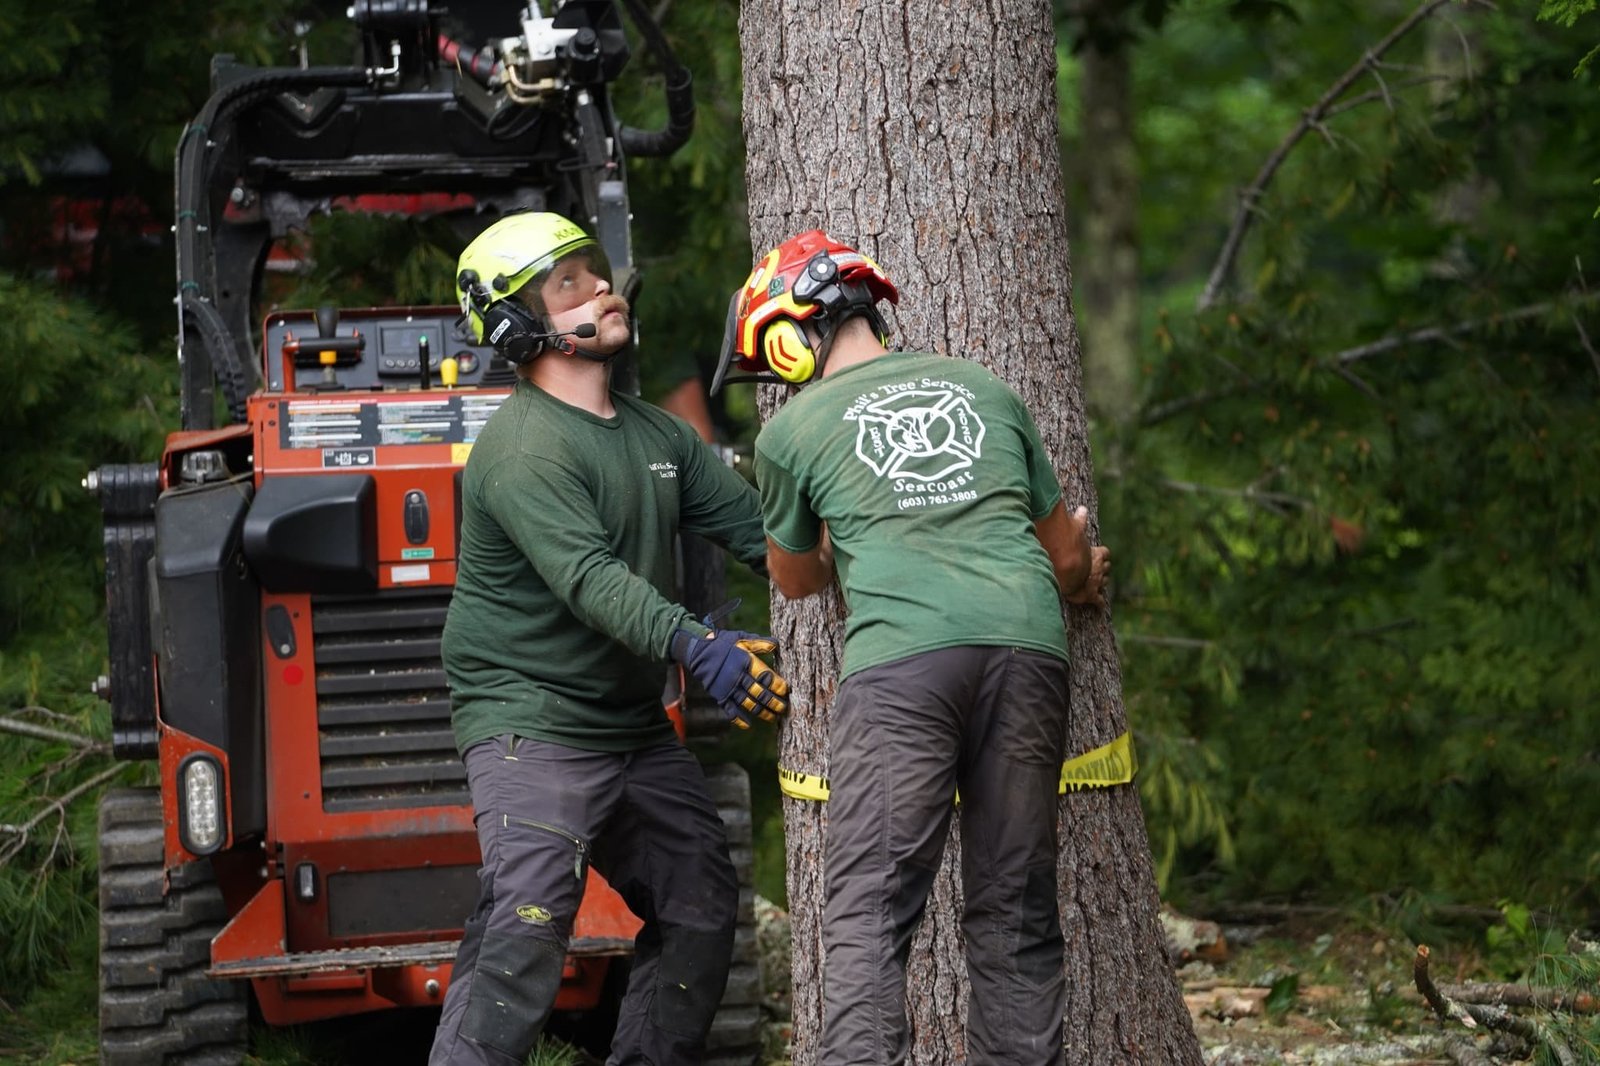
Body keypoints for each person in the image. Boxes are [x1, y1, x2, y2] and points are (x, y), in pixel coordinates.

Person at [716, 230, 1110, 1066]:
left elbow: (795, 580)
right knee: (1014, 906)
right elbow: (1067, 556)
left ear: (790, 338)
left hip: (903, 666)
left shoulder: (791, 434)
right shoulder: (985, 388)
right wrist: (1080, 578)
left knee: (868, 908)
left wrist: (851, 525)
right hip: (1029, 648)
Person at [429, 211, 789, 1066]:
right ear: (518, 324)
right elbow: (591, 581)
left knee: (700, 905)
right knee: (527, 929)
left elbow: (766, 534)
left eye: (594, 269)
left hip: (627, 728)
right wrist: (701, 648)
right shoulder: (522, 452)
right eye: (568, 282)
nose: (599, 285)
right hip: (530, 723)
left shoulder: (659, 437)